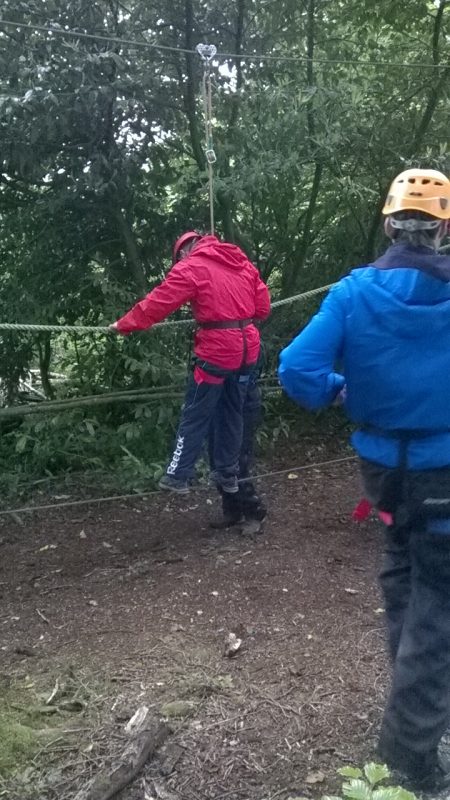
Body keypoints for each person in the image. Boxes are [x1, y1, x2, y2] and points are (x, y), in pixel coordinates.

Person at [278, 168, 450, 792]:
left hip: (382, 472)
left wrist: (335, 389)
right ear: (443, 229)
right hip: (444, 467)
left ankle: (418, 711)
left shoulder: (354, 292)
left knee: (405, 574)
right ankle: (409, 753)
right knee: (439, 601)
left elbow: (297, 368)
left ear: (388, 224)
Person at [110, 231, 271, 495]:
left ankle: (177, 475)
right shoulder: (242, 263)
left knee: (196, 412)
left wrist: (125, 324)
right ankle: (227, 474)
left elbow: (159, 302)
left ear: (184, 252)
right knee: (233, 412)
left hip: (218, 350)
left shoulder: (192, 266)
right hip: (248, 350)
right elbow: (263, 308)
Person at [209, 368, 267, 534]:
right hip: (218, 404)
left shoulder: (247, 344)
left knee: (237, 460)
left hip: (241, 406)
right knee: (216, 458)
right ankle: (232, 508)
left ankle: (254, 511)